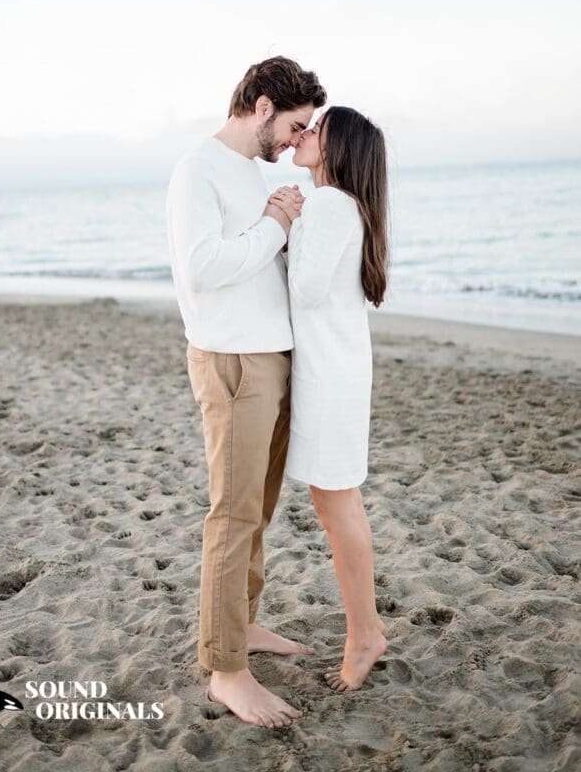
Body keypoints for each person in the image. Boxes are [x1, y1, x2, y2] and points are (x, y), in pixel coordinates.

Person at [165, 56, 326, 729]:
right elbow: (201, 268)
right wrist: (275, 227)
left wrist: (286, 229)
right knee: (231, 517)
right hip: (233, 362)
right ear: (261, 106)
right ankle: (227, 669)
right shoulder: (198, 169)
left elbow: (262, 262)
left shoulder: (253, 175)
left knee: (256, 511)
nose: (294, 141)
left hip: (271, 358)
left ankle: (244, 625)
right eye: (292, 126)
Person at [267, 105, 390, 692]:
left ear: (338, 148)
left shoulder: (332, 204)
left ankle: (365, 635)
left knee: (339, 509)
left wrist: (285, 222)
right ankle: (365, 629)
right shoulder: (340, 206)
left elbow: (308, 289)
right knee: (338, 506)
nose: (305, 133)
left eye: (317, 129)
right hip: (334, 370)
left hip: (332, 377)